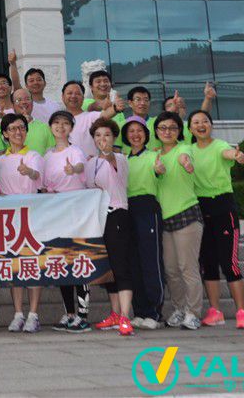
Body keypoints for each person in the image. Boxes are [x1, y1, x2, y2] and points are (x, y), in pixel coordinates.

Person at [188, 110, 244, 329]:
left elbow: (228, 153)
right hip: (200, 208)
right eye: (196, 122)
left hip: (223, 208)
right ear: (190, 129)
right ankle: (215, 311)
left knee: (229, 262)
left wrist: (237, 156)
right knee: (208, 263)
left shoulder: (219, 146)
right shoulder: (189, 150)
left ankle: (242, 312)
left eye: (205, 121)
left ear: (211, 125)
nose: (201, 125)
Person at [153, 111, 204, 330]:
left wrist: (186, 163)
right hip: (165, 219)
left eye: (172, 128)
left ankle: (193, 313)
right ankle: (179, 309)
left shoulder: (184, 149)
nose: (167, 132)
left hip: (186, 215)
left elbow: (185, 158)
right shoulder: (154, 155)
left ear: (179, 131)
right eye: (163, 128)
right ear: (156, 131)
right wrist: (156, 170)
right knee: (171, 270)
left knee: (187, 268)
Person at [84, 119, 135, 336]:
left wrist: (106, 155)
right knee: (109, 267)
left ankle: (125, 316)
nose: (102, 139)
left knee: (121, 265)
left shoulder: (120, 159)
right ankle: (114, 313)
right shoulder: (91, 164)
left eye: (106, 135)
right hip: (101, 218)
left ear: (114, 137)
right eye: (98, 135)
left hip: (118, 216)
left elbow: (116, 171)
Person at [0, 113, 43, 333]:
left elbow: (39, 178)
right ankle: (18, 313)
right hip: (8, 218)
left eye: (21, 128)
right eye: (12, 129)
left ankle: (33, 314)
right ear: (5, 134)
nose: (18, 132)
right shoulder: (0, 160)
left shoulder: (33, 155)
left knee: (31, 264)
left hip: (30, 215)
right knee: (14, 265)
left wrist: (28, 171)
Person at [42, 110, 90, 333]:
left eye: (65, 123)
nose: (60, 127)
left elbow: (80, 166)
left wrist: (74, 169)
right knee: (61, 263)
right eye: (56, 123)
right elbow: (45, 185)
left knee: (78, 261)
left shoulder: (75, 151)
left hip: (76, 213)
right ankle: (69, 313)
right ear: (50, 127)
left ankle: (83, 315)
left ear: (71, 128)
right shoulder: (47, 155)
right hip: (57, 214)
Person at [122, 117, 165, 330]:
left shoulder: (153, 156)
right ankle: (139, 311)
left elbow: (159, 170)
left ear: (146, 135)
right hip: (127, 210)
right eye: (131, 131)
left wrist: (159, 169)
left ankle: (154, 312)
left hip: (147, 208)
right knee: (134, 263)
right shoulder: (123, 159)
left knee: (150, 261)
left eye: (139, 130)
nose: (135, 135)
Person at [7, 53, 61, 123]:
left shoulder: (55, 105)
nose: (35, 83)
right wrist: (13, 64)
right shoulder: (25, 104)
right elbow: (16, 84)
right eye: (31, 81)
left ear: (45, 83)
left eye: (39, 80)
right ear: (26, 85)